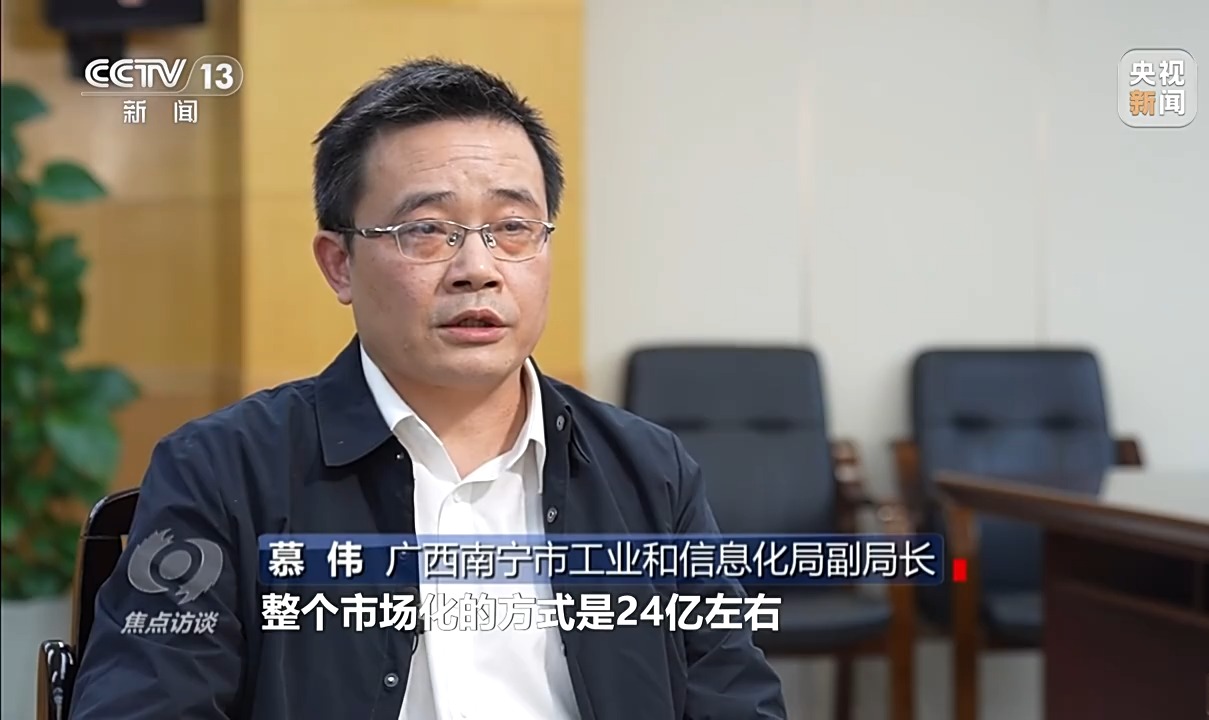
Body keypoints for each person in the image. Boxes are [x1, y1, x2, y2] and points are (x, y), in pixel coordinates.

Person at [68, 57, 787, 720]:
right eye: (427, 230)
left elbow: (736, 700)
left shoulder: (650, 472)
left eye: (512, 227)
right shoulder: (222, 471)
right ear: (339, 264)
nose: (478, 268)